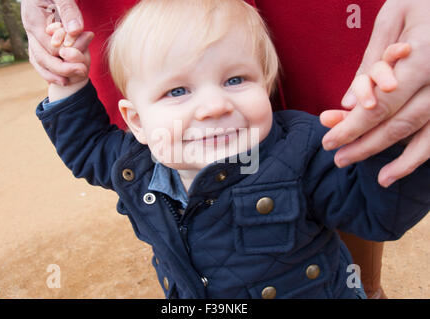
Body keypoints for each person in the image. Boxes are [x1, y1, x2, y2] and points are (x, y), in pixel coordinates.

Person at [22, 0, 430, 298]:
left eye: (236, 80)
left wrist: (393, 135)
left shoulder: (300, 151)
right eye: (178, 91)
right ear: (137, 122)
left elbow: (380, 210)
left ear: (266, 84)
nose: (216, 106)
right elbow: (86, 145)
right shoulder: (137, 165)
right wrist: (67, 82)